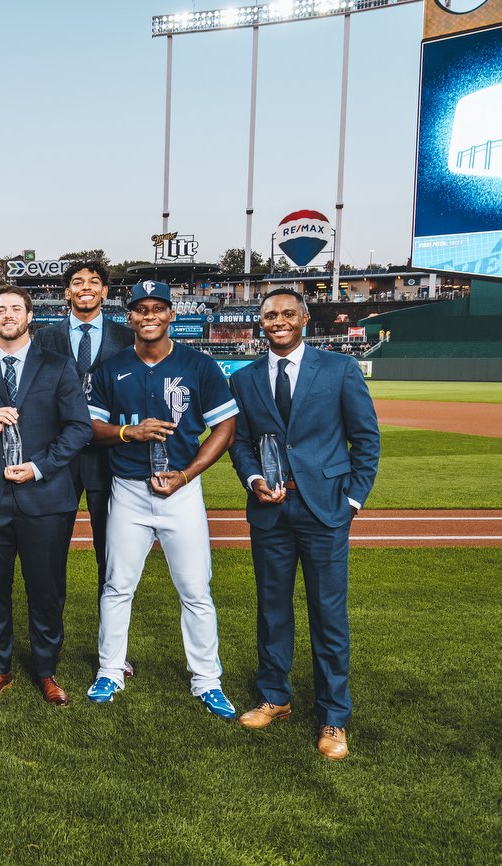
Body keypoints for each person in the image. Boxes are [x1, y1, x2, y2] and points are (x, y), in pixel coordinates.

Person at [228, 288, 380, 760]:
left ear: (305, 317)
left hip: (325, 511)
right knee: (272, 609)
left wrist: (351, 502)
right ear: (260, 323)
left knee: (328, 615)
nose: (279, 321)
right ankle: (275, 697)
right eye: (270, 315)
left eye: (288, 313)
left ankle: (334, 717)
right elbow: (242, 443)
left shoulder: (339, 369)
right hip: (270, 511)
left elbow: (366, 440)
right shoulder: (246, 377)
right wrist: (253, 479)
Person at [84, 280, 239, 720]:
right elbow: (90, 427)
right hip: (129, 489)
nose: (148, 315)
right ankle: (110, 670)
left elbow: (225, 428)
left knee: (195, 590)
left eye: (157, 308)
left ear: (172, 314)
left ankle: (207, 680)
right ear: (128, 317)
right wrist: (126, 432)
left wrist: (187, 474)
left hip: (182, 491)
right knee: (117, 586)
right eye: (140, 309)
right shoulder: (112, 367)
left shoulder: (199, 365)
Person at [0, 285, 92, 705]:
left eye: (16, 308)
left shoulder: (60, 367)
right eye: (1, 310)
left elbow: (79, 429)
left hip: (45, 495)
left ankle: (46, 669)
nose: (8, 315)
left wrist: (39, 466)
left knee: (46, 588)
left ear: (30, 316)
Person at [33, 260, 136, 676]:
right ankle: (48, 649)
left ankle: (111, 652)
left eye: (94, 282)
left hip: (108, 458)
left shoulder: (128, 337)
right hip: (57, 456)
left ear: (105, 292)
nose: (86, 288)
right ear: (66, 293)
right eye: (77, 282)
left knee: (110, 559)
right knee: (49, 556)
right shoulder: (45, 337)